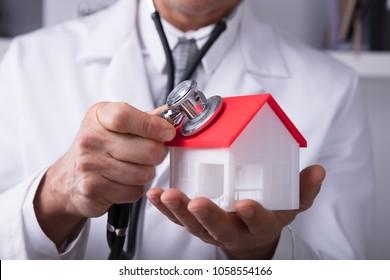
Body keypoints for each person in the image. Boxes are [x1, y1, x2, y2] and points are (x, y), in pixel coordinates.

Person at [0, 0, 374, 260]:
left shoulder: (332, 88)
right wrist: (54, 195)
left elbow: (344, 266)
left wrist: (262, 253)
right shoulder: (27, 61)